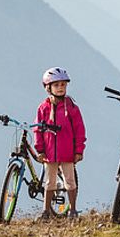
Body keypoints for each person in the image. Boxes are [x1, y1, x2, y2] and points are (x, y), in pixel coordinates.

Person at [34, 67, 86, 217]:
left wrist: (78, 150)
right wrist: (40, 150)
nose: (60, 88)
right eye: (56, 85)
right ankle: (45, 211)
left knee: (69, 181)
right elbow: (38, 129)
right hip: (50, 153)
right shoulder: (43, 108)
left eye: (63, 85)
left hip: (67, 152)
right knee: (49, 182)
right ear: (48, 88)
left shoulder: (71, 108)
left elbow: (79, 130)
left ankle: (73, 210)